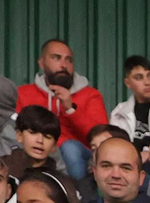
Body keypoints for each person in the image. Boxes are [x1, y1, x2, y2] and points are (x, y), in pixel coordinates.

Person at [15, 38, 108, 181]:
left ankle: (77, 195)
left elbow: (101, 137)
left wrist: (71, 109)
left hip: (80, 159)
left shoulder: (90, 95)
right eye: (56, 58)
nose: (64, 65)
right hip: (39, 153)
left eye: (69, 60)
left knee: (70, 149)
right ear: (41, 62)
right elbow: (15, 132)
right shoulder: (24, 94)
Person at [6, 105, 64, 180]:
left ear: (54, 146)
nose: (40, 140)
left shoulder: (61, 181)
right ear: (19, 135)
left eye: (47, 136)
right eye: (33, 133)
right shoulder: (2, 169)